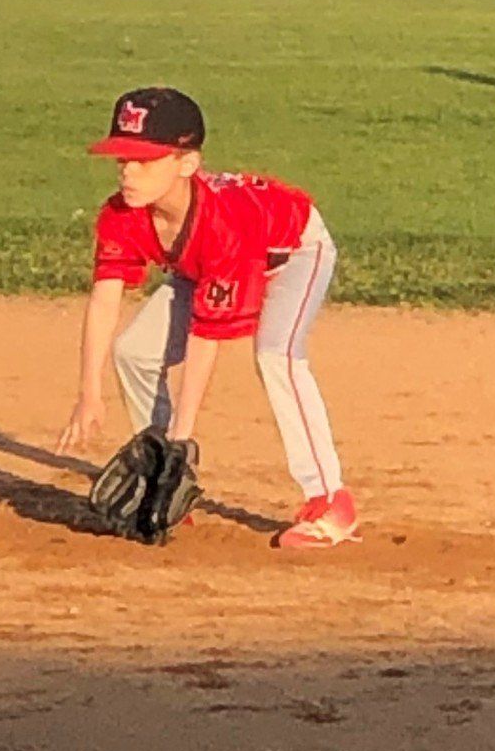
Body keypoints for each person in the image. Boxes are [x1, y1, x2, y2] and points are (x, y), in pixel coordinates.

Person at [56, 86, 359, 549]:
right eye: (122, 159)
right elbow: (104, 300)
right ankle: (160, 482)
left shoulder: (224, 223)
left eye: (143, 160)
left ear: (187, 164)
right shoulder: (122, 214)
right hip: (205, 266)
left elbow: (206, 337)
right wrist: (89, 393)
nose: (128, 172)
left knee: (277, 353)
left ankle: (330, 501)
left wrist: (184, 436)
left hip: (295, 251)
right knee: (133, 352)